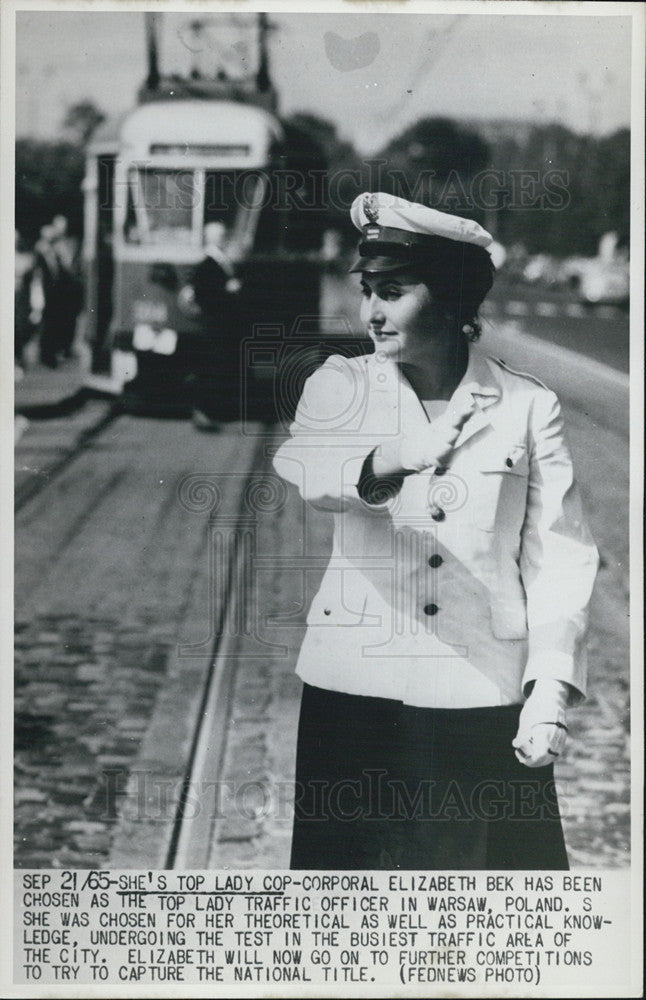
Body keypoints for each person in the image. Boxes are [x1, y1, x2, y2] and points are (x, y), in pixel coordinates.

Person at [273, 192, 599, 870]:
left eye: (392, 292)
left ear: (451, 299)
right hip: (354, 696)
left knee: (494, 923)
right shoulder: (341, 385)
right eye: (368, 292)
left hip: (480, 694)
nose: (371, 312)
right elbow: (307, 467)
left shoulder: (528, 406)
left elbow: (559, 557)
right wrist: (396, 458)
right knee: (350, 922)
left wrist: (550, 689)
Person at [190, 221, 242, 427]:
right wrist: (227, 290)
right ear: (212, 238)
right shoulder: (208, 263)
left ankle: (212, 411)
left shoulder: (220, 259)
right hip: (215, 325)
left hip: (221, 325)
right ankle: (205, 411)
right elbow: (204, 295)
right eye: (221, 236)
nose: (224, 239)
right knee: (212, 366)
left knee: (217, 366)